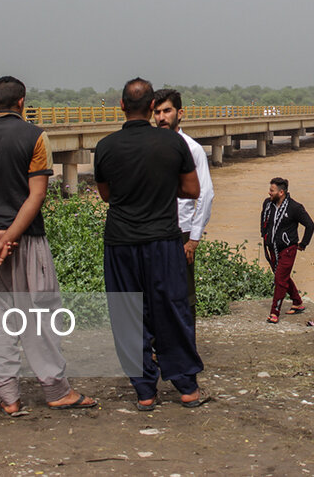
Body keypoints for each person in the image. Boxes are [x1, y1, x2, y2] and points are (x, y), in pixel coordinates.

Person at [0, 76, 95, 416]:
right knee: (39, 315)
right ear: (21, 103)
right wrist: (9, 237)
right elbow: (37, 194)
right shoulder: (35, 136)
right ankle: (56, 390)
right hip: (26, 240)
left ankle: (9, 397)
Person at [94, 78, 206, 410]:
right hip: (163, 239)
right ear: (152, 107)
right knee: (172, 308)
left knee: (128, 314)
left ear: (121, 106)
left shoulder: (106, 147)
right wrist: (160, 189)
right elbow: (192, 190)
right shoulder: (173, 144)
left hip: (121, 242)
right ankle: (187, 387)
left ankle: (145, 391)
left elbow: (107, 195)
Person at [152, 88, 214, 322]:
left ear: (180, 113)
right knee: (155, 292)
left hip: (181, 232)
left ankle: (186, 350)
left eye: (167, 111)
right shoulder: (150, 147)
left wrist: (194, 239)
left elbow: (206, 194)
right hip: (153, 230)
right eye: (157, 112)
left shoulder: (193, 149)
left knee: (184, 296)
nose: (161, 117)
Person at [261, 177, 314, 324]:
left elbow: (310, 225)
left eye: (272, 190)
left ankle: (274, 312)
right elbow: (263, 220)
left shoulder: (295, 207)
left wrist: (303, 244)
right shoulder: (268, 204)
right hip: (272, 249)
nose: (269, 193)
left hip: (288, 249)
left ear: (281, 192)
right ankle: (297, 302)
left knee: (279, 279)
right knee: (283, 277)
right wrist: (264, 236)